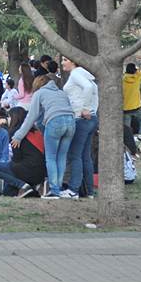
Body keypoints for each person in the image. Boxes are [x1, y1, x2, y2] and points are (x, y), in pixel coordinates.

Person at [11, 75, 75, 198]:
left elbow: (31, 117)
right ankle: (60, 187)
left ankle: (54, 190)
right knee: (62, 157)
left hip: (55, 121)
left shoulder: (39, 93)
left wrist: (18, 136)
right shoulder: (61, 93)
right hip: (71, 122)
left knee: (51, 157)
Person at [62, 57, 99, 198]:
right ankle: (89, 191)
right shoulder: (85, 74)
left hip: (81, 119)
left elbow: (89, 88)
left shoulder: (76, 73)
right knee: (85, 156)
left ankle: (73, 190)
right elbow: (93, 91)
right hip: (91, 120)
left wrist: (85, 108)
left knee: (74, 155)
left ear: (74, 61)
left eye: (65, 59)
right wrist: (93, 110)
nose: (62, 62)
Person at [0, 107, 47, 198]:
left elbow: (17, 159)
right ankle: (33, 187)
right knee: (8, 192)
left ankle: (23, 186)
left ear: (14, 117)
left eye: (9, 117)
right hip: (41, 172)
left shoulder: (16, 132)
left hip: (27, 169)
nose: (8, 119)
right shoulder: (36, 131)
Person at [122, 63, 141, 135]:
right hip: (136, 106)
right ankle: (140, 135)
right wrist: (138, 70)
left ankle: (128, 139)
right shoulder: (137, 78)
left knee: (127, 125)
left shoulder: (123, 79)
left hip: (126, 107)